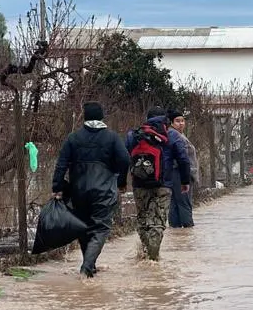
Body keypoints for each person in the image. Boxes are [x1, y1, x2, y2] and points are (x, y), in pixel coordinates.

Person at [51, 101, 131, 278]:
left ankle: (90, 265)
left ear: (84, 117)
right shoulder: (112, 137)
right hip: (103, 190)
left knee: (83, 227)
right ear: (102, 116)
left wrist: (57, 187)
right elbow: (125, 159)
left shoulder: (73, 138)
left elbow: (61, 164)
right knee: (100, 228)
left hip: (78, 191)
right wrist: (121, 182)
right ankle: (87, 268)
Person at [126, 107, 192, 261]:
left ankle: (144, 252)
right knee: (158, 222)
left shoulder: (134, 135)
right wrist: (185, 181)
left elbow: (124, 158)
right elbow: (183, 159)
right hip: (163, 185)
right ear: (164, 119)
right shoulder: (172, 135)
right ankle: (153, 258)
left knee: (143, 219)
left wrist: (122, 182)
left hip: (139, 185)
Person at [167, 109, 199, 228]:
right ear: (171, 122)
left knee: (175, 203)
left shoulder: (177, 135)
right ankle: (187, 229)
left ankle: (176, 232)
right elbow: (182, 158)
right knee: (184, 203)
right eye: (177, 121)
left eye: (182, 121)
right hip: (181, 174)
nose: (181, 123)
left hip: (177, 173)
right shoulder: (175, 136)